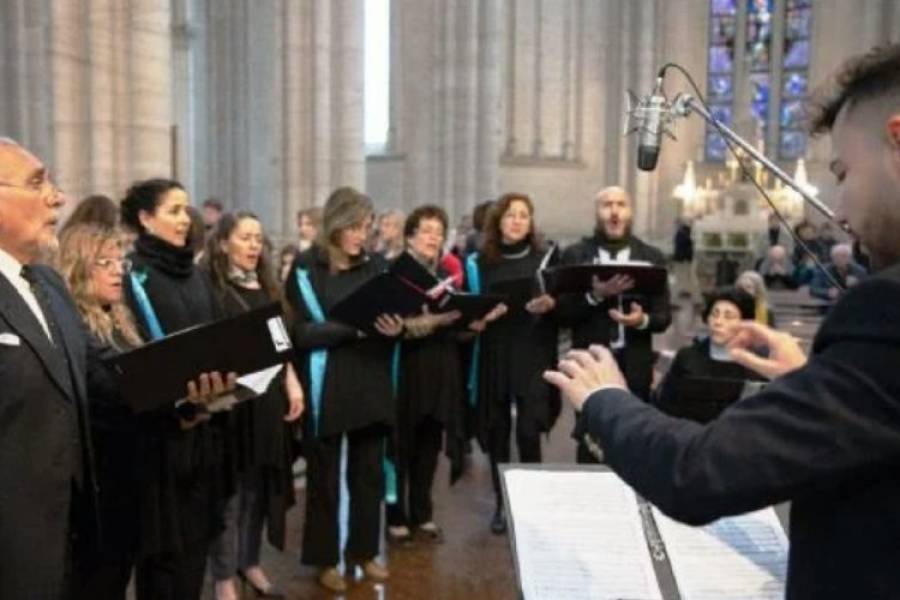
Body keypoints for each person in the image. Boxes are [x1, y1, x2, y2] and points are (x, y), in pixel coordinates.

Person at [543, 43, 900, 599]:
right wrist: (815, 379)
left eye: (842, 171)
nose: (838, 205)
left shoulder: (885, 312)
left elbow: (699, 471)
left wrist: (604, 398)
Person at [284, 187, 404, 593]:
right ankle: (323, 558)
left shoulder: (376, 266)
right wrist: (351, 328)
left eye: (366, 227)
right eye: (354, 227)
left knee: (368, 474)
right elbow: (300, 332)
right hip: (326, 380)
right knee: (324, 479)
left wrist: (394, 329)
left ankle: (364, 552)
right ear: (335, 226)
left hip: (370, 377)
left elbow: (390, 317)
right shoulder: (305, 267)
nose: (361, 235)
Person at [121, 178, 231, 600]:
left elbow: (220, 339)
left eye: (186, 210)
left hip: (205, 432)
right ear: (145, 219)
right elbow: (137, 357)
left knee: (195, 553)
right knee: (164, 564)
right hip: (160, 439)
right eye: (173, 210)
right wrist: (179, 406)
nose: (186, 219)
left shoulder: (197, 275)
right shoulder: (135, 277)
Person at [0, 138, 98, 599]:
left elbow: (96, 377)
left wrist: (184, 396)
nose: (57, 196)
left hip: (72, 538)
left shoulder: (49, 283)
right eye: (37, 182)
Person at [203, 212, 304, 600]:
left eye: (258, 238)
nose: (253, 245)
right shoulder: (213, 290)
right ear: (224, 242)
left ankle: (250, 561)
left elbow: (282, 348)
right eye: (245, 238)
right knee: (230, 493)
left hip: (267, 400)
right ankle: (224, 576)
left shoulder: (267, 288)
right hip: (232, 404)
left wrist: (292, 384)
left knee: (259, 489)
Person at [555, 186, 671, 463]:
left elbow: (663, 317)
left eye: (621, 204)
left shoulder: (651, 257)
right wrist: (596, 296)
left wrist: (640, 320)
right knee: (590, 442)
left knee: (633, 444)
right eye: (607, 205)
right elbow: (562, 314)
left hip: (635, 363)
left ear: (630, 212)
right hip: (590, 364)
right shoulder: (576, 256)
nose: (614, 211)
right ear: (597, 212)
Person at [467, 193, 560, 533]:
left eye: (523, 215)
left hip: (532, 349)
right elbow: (469, 307)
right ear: (498, 221)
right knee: (498, 430)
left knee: (528, 429)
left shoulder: (545, 258)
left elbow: (561, 303)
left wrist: (551, 304)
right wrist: (483, 315)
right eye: (510, 215)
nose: (517, 221)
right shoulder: (480, 261)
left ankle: (532, 502)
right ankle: (502, 504)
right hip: (495, 349)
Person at [386, 205, 467, 544]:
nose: (435, 237)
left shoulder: (446, 277)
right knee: (401, 445)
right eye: (427, 230)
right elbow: (393, 326)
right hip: (405, 368)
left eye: (439, 231)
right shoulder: (393, 273)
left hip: (440, 368)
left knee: (430, 444)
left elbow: (455, 326)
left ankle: (423, 513)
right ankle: (396, 514)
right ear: (410, 237)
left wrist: (475, 319)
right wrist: (433, 322)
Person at [652, 288, 764, 421]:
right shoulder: (687, 357)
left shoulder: (755, 366)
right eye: (714, 314)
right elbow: (664, 405)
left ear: (744, 323)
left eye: (728, 317)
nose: (718, 322)